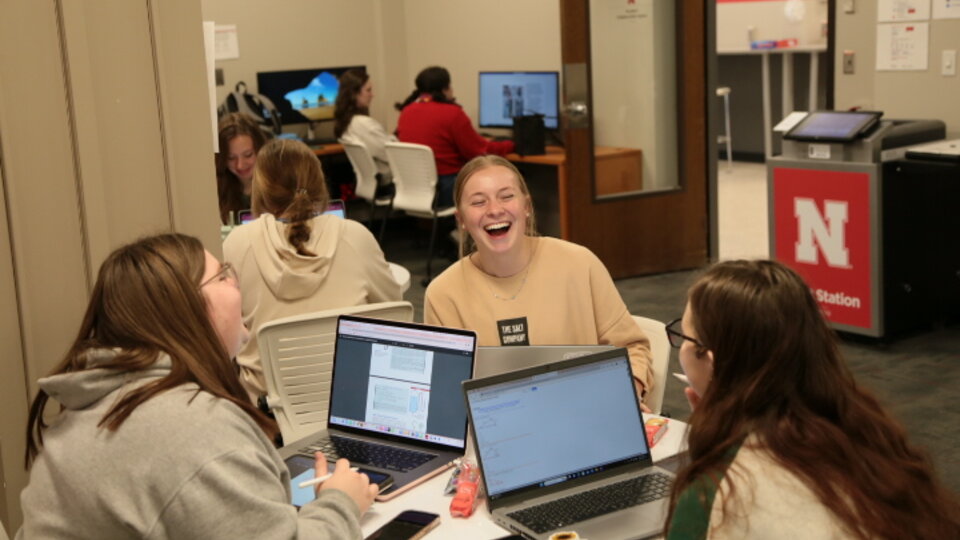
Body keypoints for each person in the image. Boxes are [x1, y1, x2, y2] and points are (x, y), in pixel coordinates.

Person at [17, 233, 377, 539]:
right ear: (186, 310)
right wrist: (340, 502)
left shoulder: (93, 408)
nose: (236, 284)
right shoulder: (190, 426)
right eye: (222, 276)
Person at [665, 260, 960, 539]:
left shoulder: (716, 492)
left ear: (713, 361)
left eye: (684, 336)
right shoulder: (862, 430)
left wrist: (713, 452)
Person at [424, 155, 654, 402]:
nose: (494, 210)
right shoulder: (442, 295)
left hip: (584, 414)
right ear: (461, 220)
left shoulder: (579, 264)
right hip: (496, 430)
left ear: (527, 207)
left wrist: (629, 391)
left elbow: (633, 350)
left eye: (506, 196)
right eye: (479, 202)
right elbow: (445, 393)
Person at [224, 139, 401, 401]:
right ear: (319, 183)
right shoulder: (355, 237)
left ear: (261, 189)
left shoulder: (237, 244)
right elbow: (395, 316)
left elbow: (223, 335)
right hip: (353, 404)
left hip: (269, 413)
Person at [395, 66, 515, 209]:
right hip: (445, 189)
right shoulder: (452, 113)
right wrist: (512, 145)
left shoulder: (407, 111)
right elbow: (479, 152)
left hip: (415, 188)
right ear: (446, 88)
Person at [333, 69, 395, 188]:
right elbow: (391, 154)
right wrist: (394, 139)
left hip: (373, 185)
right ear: (354, 93)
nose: (372, 94)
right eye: (368, 90)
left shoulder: (345, 123)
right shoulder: (364, 124)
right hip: (389, 184)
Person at [216, 112, 270, 225]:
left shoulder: (280, 184)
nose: (240, 165)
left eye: (248, 155)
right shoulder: (216, 189)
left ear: (260, 150)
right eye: (231, 158)